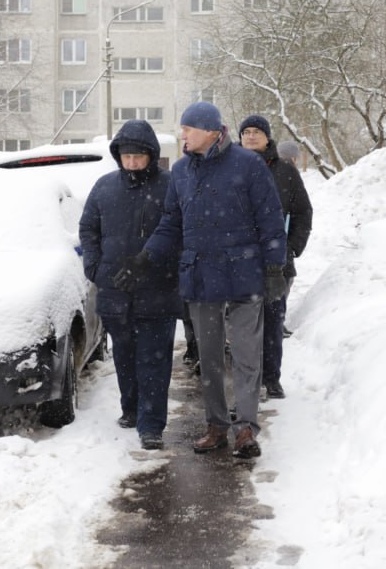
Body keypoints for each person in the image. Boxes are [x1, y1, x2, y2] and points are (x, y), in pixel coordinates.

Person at [116, 101, 287, 459]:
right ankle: (217, 425)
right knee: (208, 357)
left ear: (211, 131)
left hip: (244, 273)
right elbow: (171, 224)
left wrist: (274, 268)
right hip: (201, 275)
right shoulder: (181, 171)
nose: (183, 135)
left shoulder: (247, 164)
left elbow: (270, 219)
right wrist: (146, 257)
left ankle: (245, 430)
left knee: (245, 355)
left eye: (187, 129)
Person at [79, 119, 181, 451]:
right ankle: (131, 409)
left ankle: (151, 425)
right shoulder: (104, 187)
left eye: (139, 156)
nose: (133, 162)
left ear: (151, 155)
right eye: (127, 156)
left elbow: (179, 233)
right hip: (114, 291)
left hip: (157, 290)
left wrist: (160, 268)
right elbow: (88, 229)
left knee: (153, 359)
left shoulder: (170, 186)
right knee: (124, 355)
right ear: (118, 156)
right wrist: (94, 267)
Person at [238, 116, 313, 400]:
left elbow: (303, 211)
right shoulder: (228, 168)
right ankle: (248, 379)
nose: (251, 136)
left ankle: (271, 377)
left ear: (268, 137)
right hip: (238, 262)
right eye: (246, 132)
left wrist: (291, 246)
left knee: (272, 320)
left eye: (257, 132)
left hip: (276, 262)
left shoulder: (285, 171)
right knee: (243, 326)